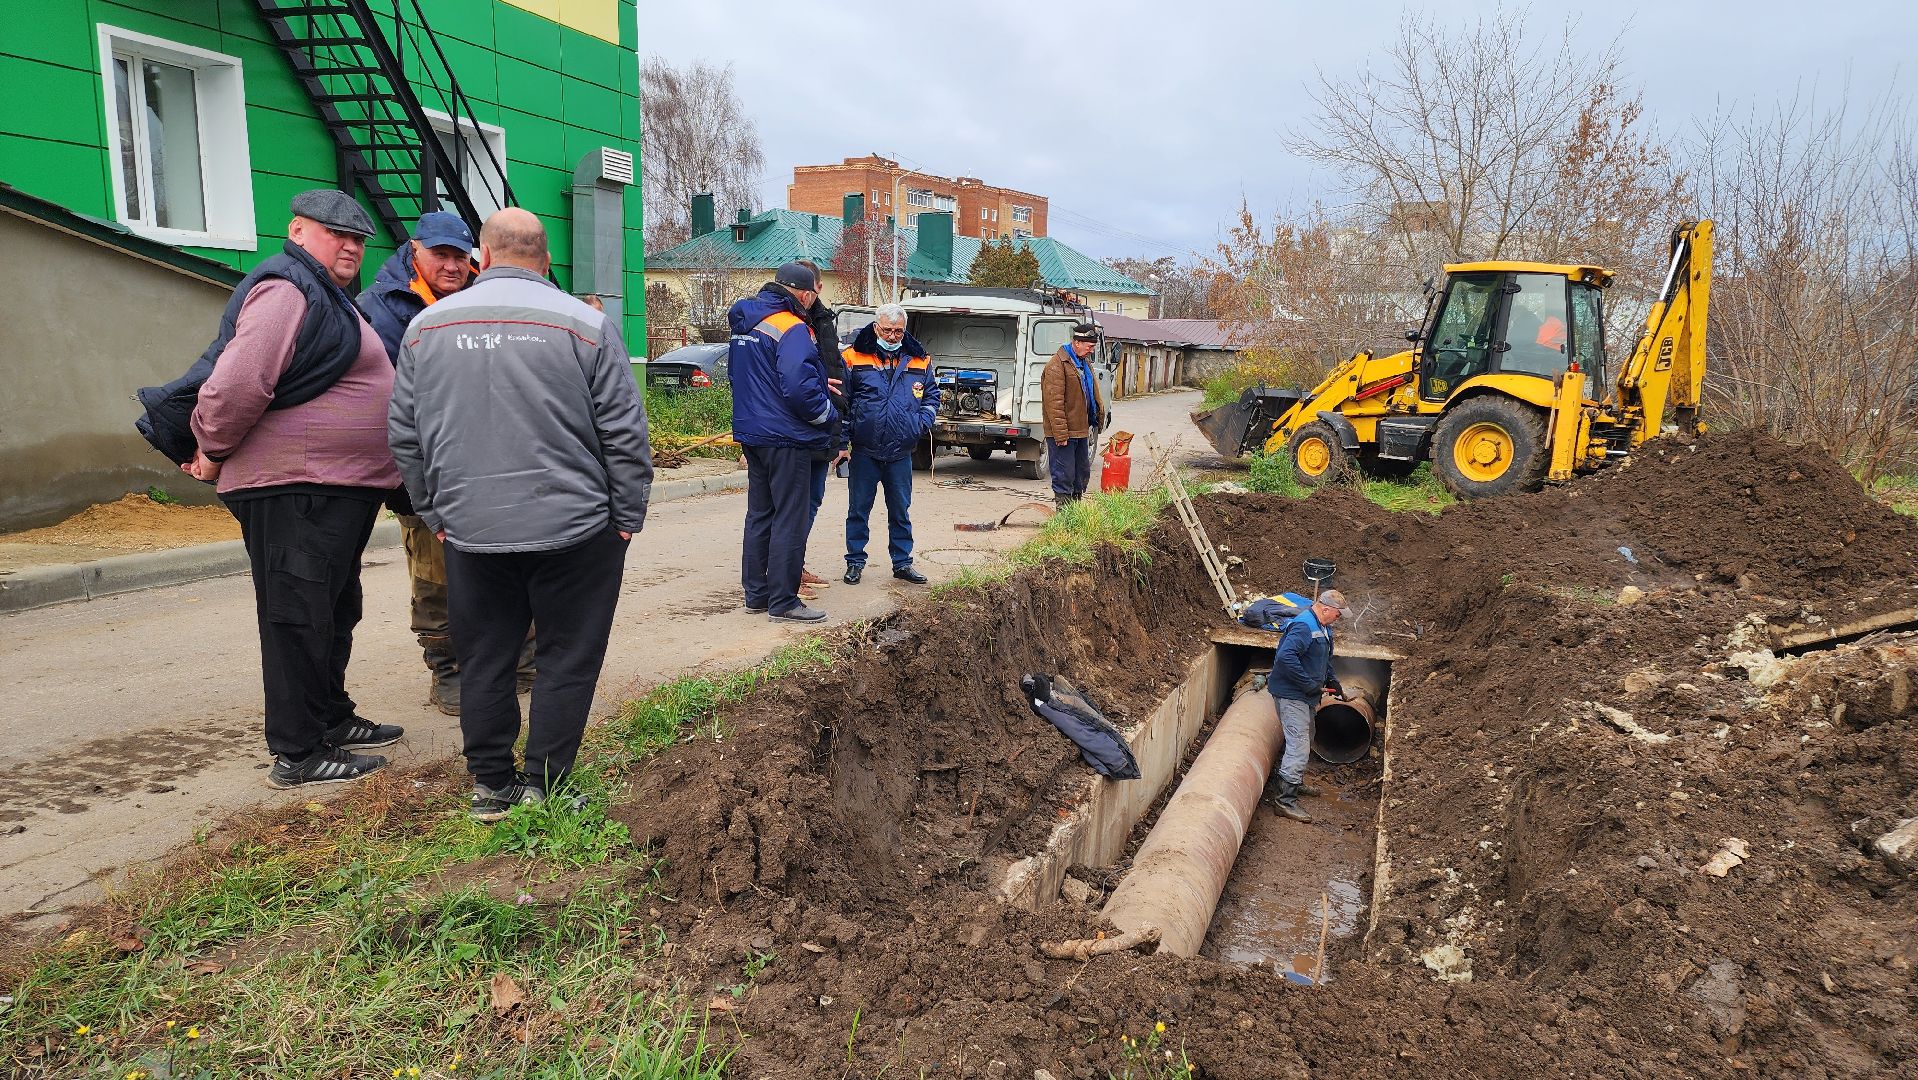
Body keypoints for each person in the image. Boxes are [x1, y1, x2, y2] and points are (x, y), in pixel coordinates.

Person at [388, 208, 653, 822]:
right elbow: (624, 434)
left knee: (484, 656)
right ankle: (547, 784)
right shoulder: (585, 325)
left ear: (482, 255)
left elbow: (405, 437)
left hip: (471, 530)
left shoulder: (427, 328)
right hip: (577, 530)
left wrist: (436, 512)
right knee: (566, 655)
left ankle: (490, 785)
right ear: (546, 258)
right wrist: (626, 517)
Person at [184, 189, 405, 788]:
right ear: (299, 230)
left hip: (333, 488)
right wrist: (213, 448)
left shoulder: (328, 294)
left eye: (360, 238)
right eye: (339, 234)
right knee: (296, 615)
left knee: (333, 609)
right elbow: (237, 383)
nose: (353, 245)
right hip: (294, 487)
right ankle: (298, 751)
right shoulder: (286, 289)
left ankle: (330, 718)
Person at [358, 210, 533, 716]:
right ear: (415, 251)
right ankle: (450, 668)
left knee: (515, 559)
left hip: (499, 458)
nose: (453, 265)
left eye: (461, 255)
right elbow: (391, 396)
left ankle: (522, 657)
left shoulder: (492, 297)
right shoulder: (381, 310)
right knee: (437, 573)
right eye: (441, 255)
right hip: (427, 463)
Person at [729, 261, 840, 622]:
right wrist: (827, 414)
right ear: (805, 294)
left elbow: (753, 377)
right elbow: (796, 387)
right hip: (788, 437)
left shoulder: (747, 321)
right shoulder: (792, 326)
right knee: (789, 518)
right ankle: (784, 601)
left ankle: (757, 595)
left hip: (753, 432)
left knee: (760, 514)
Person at [841, 303, 939, 585]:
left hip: (900, 451)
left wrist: (921, 424)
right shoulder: (853, 357)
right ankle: (855, 562)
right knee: (858, 509)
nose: (893, 335)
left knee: (900, 510)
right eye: (887, 330)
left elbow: (932, 397)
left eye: (898, 331)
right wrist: (841, 442)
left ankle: (902, 563)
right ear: (875, 328)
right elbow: (842, 403)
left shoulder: (920, 360)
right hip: (865, 450)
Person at [1265, 589, 1352, 822]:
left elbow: (1322, 659)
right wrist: (1309, 685)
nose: (1339, 618)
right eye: (1338, 614)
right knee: (1299, 744)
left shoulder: (1323, 627)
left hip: (1305, 695)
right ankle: (1284, 801)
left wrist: (1332, 680)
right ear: (1325, 609)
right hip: (1292, 695)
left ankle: (1294, 781)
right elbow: (1285, 658)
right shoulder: (1303, 626)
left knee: (1307, 735)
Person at [799, 259, 846, 602]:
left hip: (822, 427)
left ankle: (795, 565)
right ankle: (783, 572)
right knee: (792, 505)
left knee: (812, 500)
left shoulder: (823, 320)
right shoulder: (792, 324)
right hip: (796, 431)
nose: (815, 294)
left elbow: (836, 378)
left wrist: (839, 436)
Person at [1040, 322, 1108, 505]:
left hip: (1080, 429)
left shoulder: (1083, 363)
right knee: (1064, 474)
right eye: (1090, 346)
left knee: (1081, 473)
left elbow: (1091, 393)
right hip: (1064, 432)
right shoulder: (1057, 365)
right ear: (1077, 342)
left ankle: (1075, 512)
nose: (1091, 350)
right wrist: (1060, 434)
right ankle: (1064, 516)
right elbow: (1054, 403)